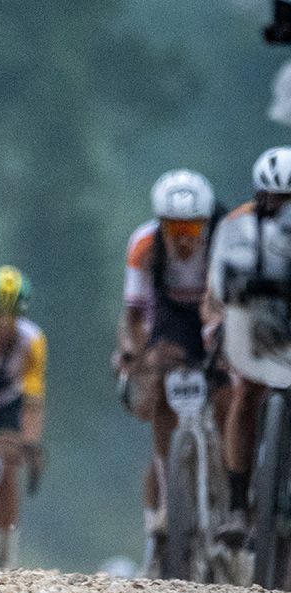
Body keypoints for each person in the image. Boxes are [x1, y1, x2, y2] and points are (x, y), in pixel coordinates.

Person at [113, 169, 224, 569]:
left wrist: (219, 348)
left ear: (206, 223)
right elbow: (134, 313)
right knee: (161, 386)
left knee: (228, 388)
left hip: (217, 311)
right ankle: (167, 491)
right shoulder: (144, 245)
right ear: (159, 224)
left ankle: (232, 480)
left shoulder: (222, 242)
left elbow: (222, 305)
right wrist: (134, 354)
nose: (182, 237)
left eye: (191, 227)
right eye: (173, 226)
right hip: (171, 319)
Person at [203, 146, 291, 543]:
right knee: (247, 392)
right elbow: (215, 291)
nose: (280, 207)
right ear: (259, 195)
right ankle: (239, 506)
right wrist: (218, 324)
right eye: (274, 199)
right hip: (254, 320)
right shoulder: (237, 226)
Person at [0, 265, 46, 569]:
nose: (3, 325)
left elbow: (33, 399)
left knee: (9, 463)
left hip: (7, 403)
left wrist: (30, 444)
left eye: (11, 317)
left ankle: (5, 547)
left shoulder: (32, 340)